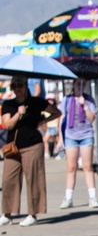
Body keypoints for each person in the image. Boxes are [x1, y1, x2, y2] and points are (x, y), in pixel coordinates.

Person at [0, 75, 61, 227]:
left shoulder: (36, 102)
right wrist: (19, 114)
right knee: (8, 180)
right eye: (13, 86)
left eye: (19, 86)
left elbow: (56, 112)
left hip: (33, 145)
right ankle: (7, 214)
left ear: (25, 86)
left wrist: (43, 121)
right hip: (13, 148)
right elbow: (7, 125)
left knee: (33, 180)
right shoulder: (8, 104)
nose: (16, 89)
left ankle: (32, 214)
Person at [58, 78, 98, 210]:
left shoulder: (89, 99)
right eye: (78, 84)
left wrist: (84, 105)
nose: (81, 86)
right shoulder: (66, 99)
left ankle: (92, 197)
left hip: (86, 135)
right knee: (71, 167)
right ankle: (68, 197)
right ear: (73, 85)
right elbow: (62, 118)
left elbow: (92, 117)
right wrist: (60, 138)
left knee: (88, 166)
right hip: (70, 135)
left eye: (83, 84)